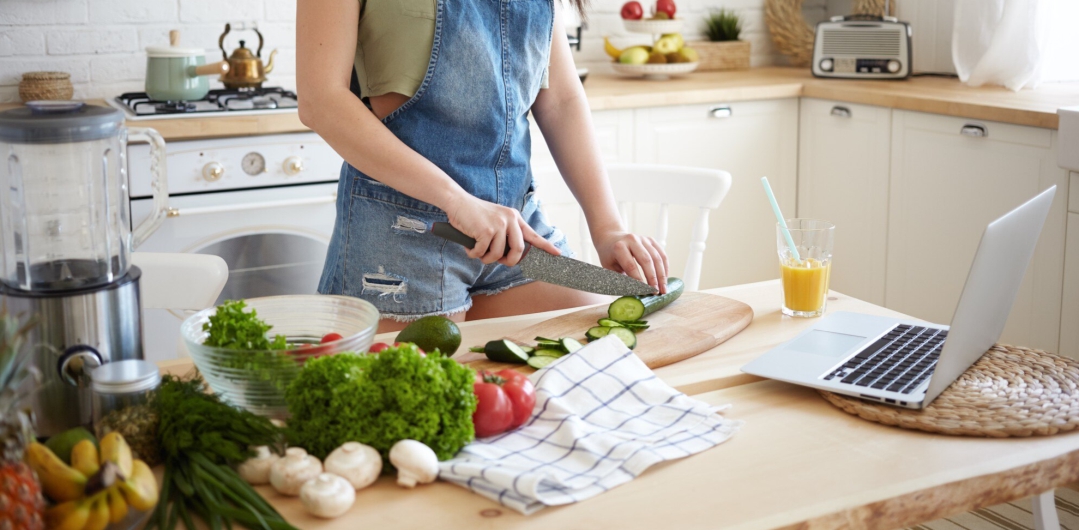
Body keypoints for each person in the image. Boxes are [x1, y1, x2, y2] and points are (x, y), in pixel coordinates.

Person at [297, 0, 669, 333]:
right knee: (422, 400)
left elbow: (562, 100)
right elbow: (321, 101)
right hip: (400, 235)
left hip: (517, 233)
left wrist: (608, 228)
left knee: (608, 348)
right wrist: (458, 202)